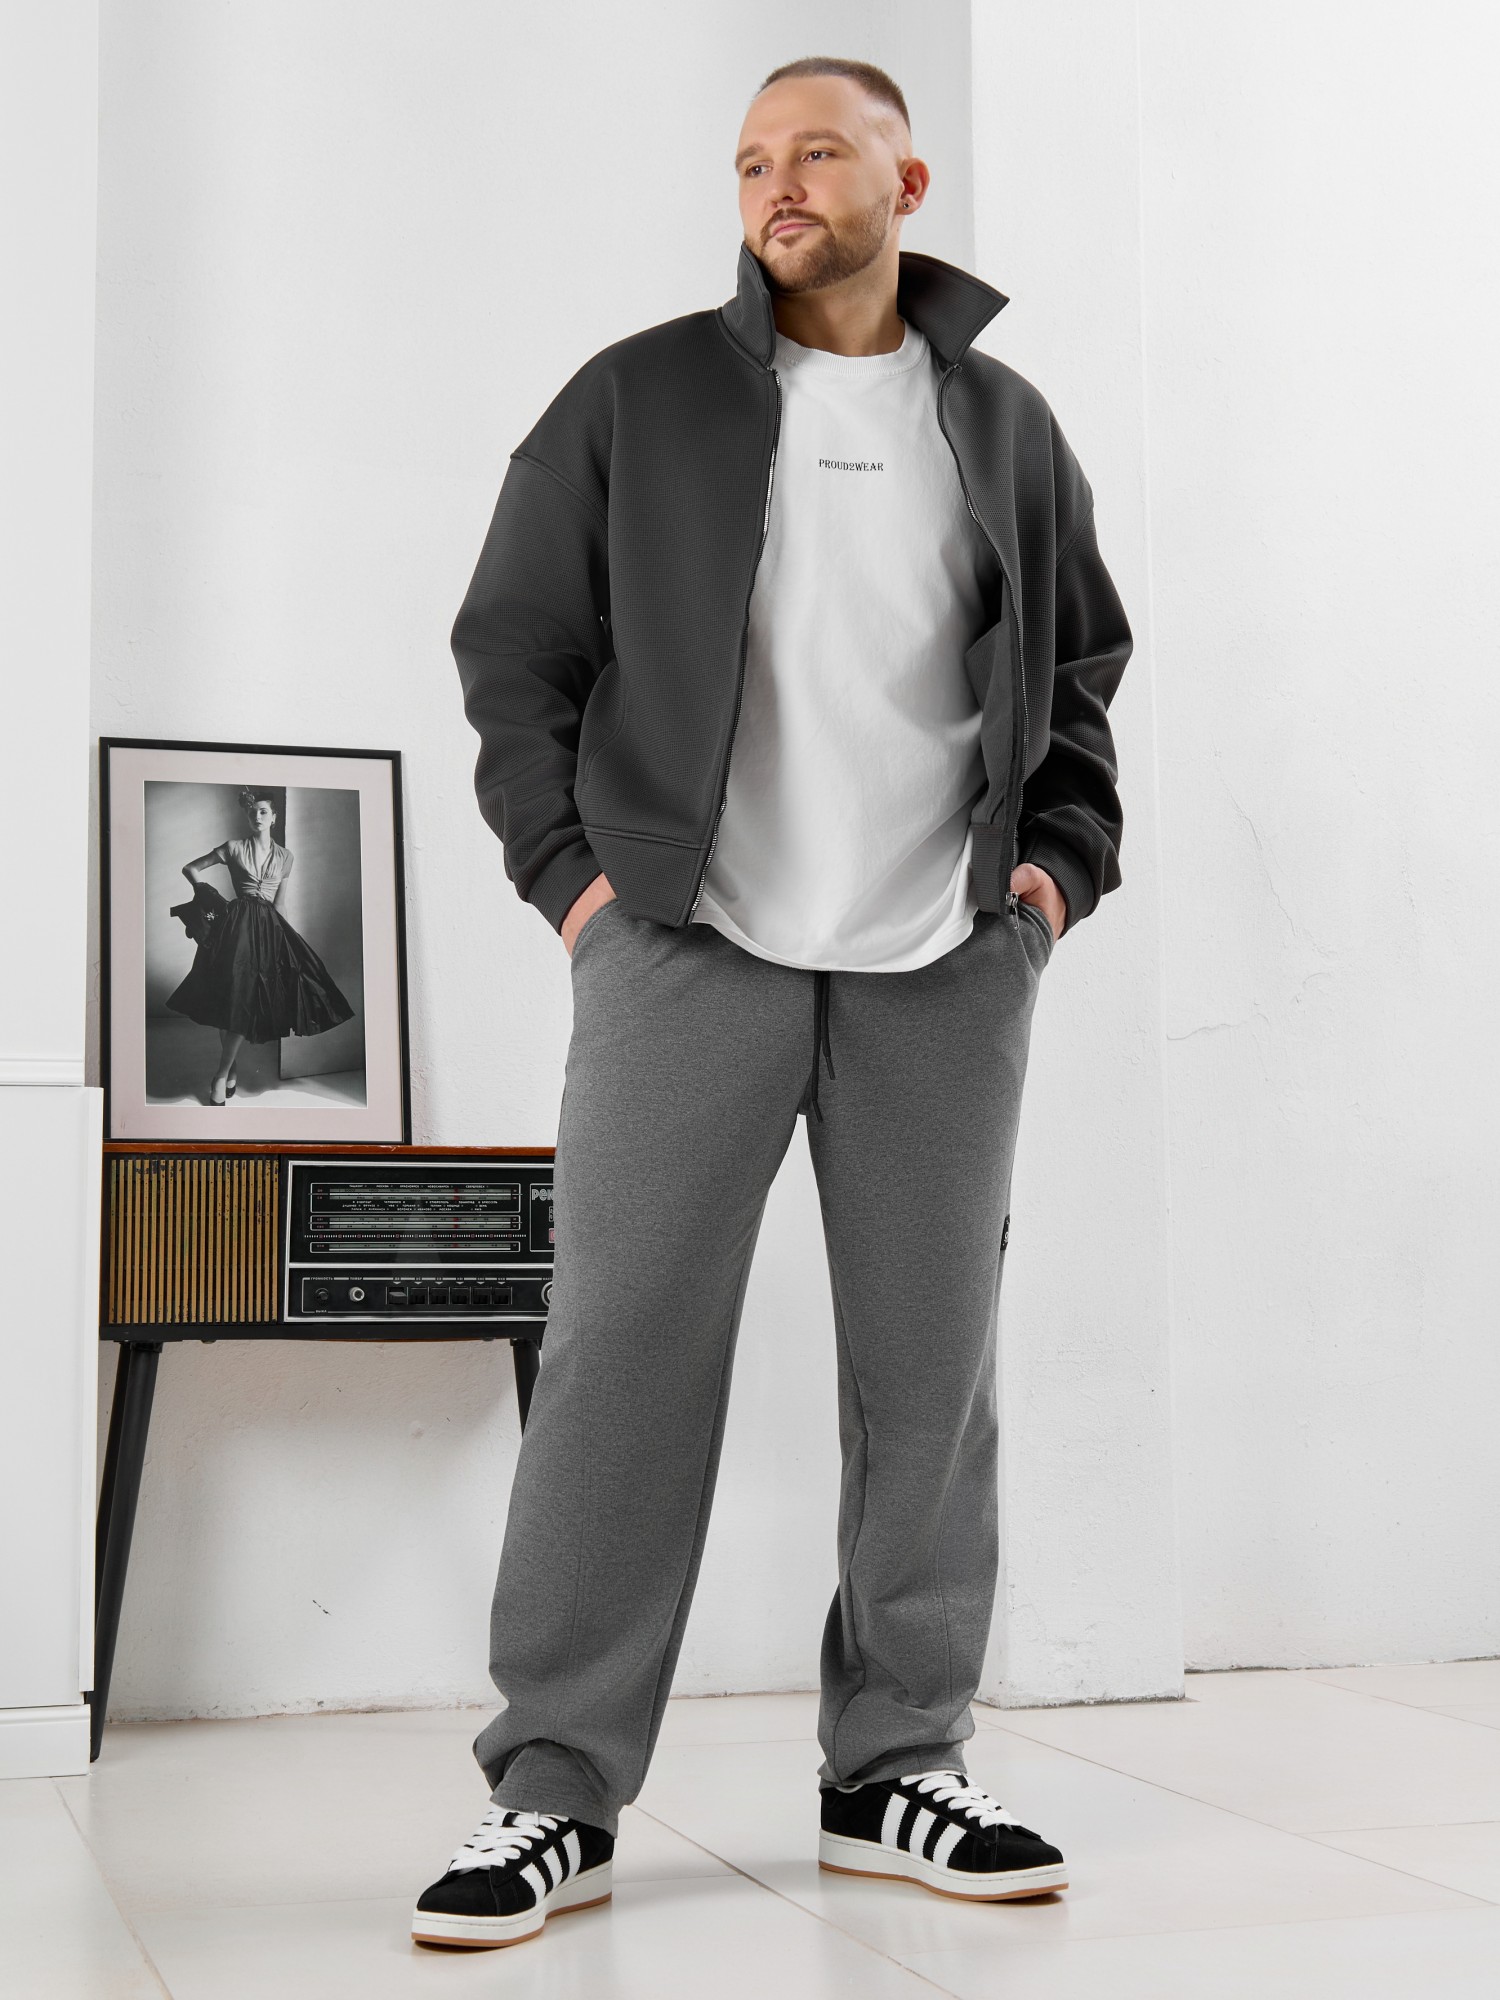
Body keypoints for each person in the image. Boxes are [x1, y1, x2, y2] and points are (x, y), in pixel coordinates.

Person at [417, 54, 1131, 1951]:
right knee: (622, 1357)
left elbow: (1082, 665)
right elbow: (512, 655)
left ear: (907, 176)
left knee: (930, 1378)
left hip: (943, 961)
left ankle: (898, 1761)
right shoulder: (636, 397)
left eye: (817, 150)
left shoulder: (1002, 421)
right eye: (750, 161)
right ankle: (554, 1787)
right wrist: (578, 891)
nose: (776, 184)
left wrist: (1052, 877)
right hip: (682, 944)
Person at [169, 785, 354, 1103]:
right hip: (236, 927)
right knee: (233, 996)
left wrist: (288, 938)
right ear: (248, 816)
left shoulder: (286, 857)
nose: (257, 816)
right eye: (253, 812)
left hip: (268, 929)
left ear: (274, 817)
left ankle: (223, 1072)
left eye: (264, 811)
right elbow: (191, 868)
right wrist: (205, 893)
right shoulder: (233, 847)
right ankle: (225, 1072)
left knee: (246, 998)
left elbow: (280, 903)